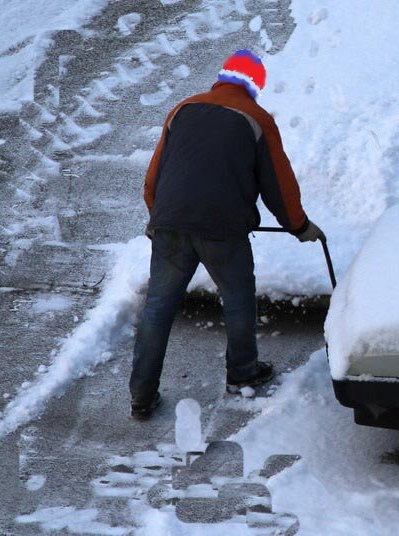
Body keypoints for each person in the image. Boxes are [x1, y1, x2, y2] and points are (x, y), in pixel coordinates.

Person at [129, 50, 324, 420]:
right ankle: (242, 373)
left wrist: (160, 218)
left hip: (169, 225)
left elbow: (153, 176)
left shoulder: (183, 109)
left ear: (221, 76)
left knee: (157, 309)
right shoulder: (256, 118)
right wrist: (298, 226)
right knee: (237, 299)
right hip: (222, 229)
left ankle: (141, 394)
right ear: (254, 83)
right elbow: (278, 185)